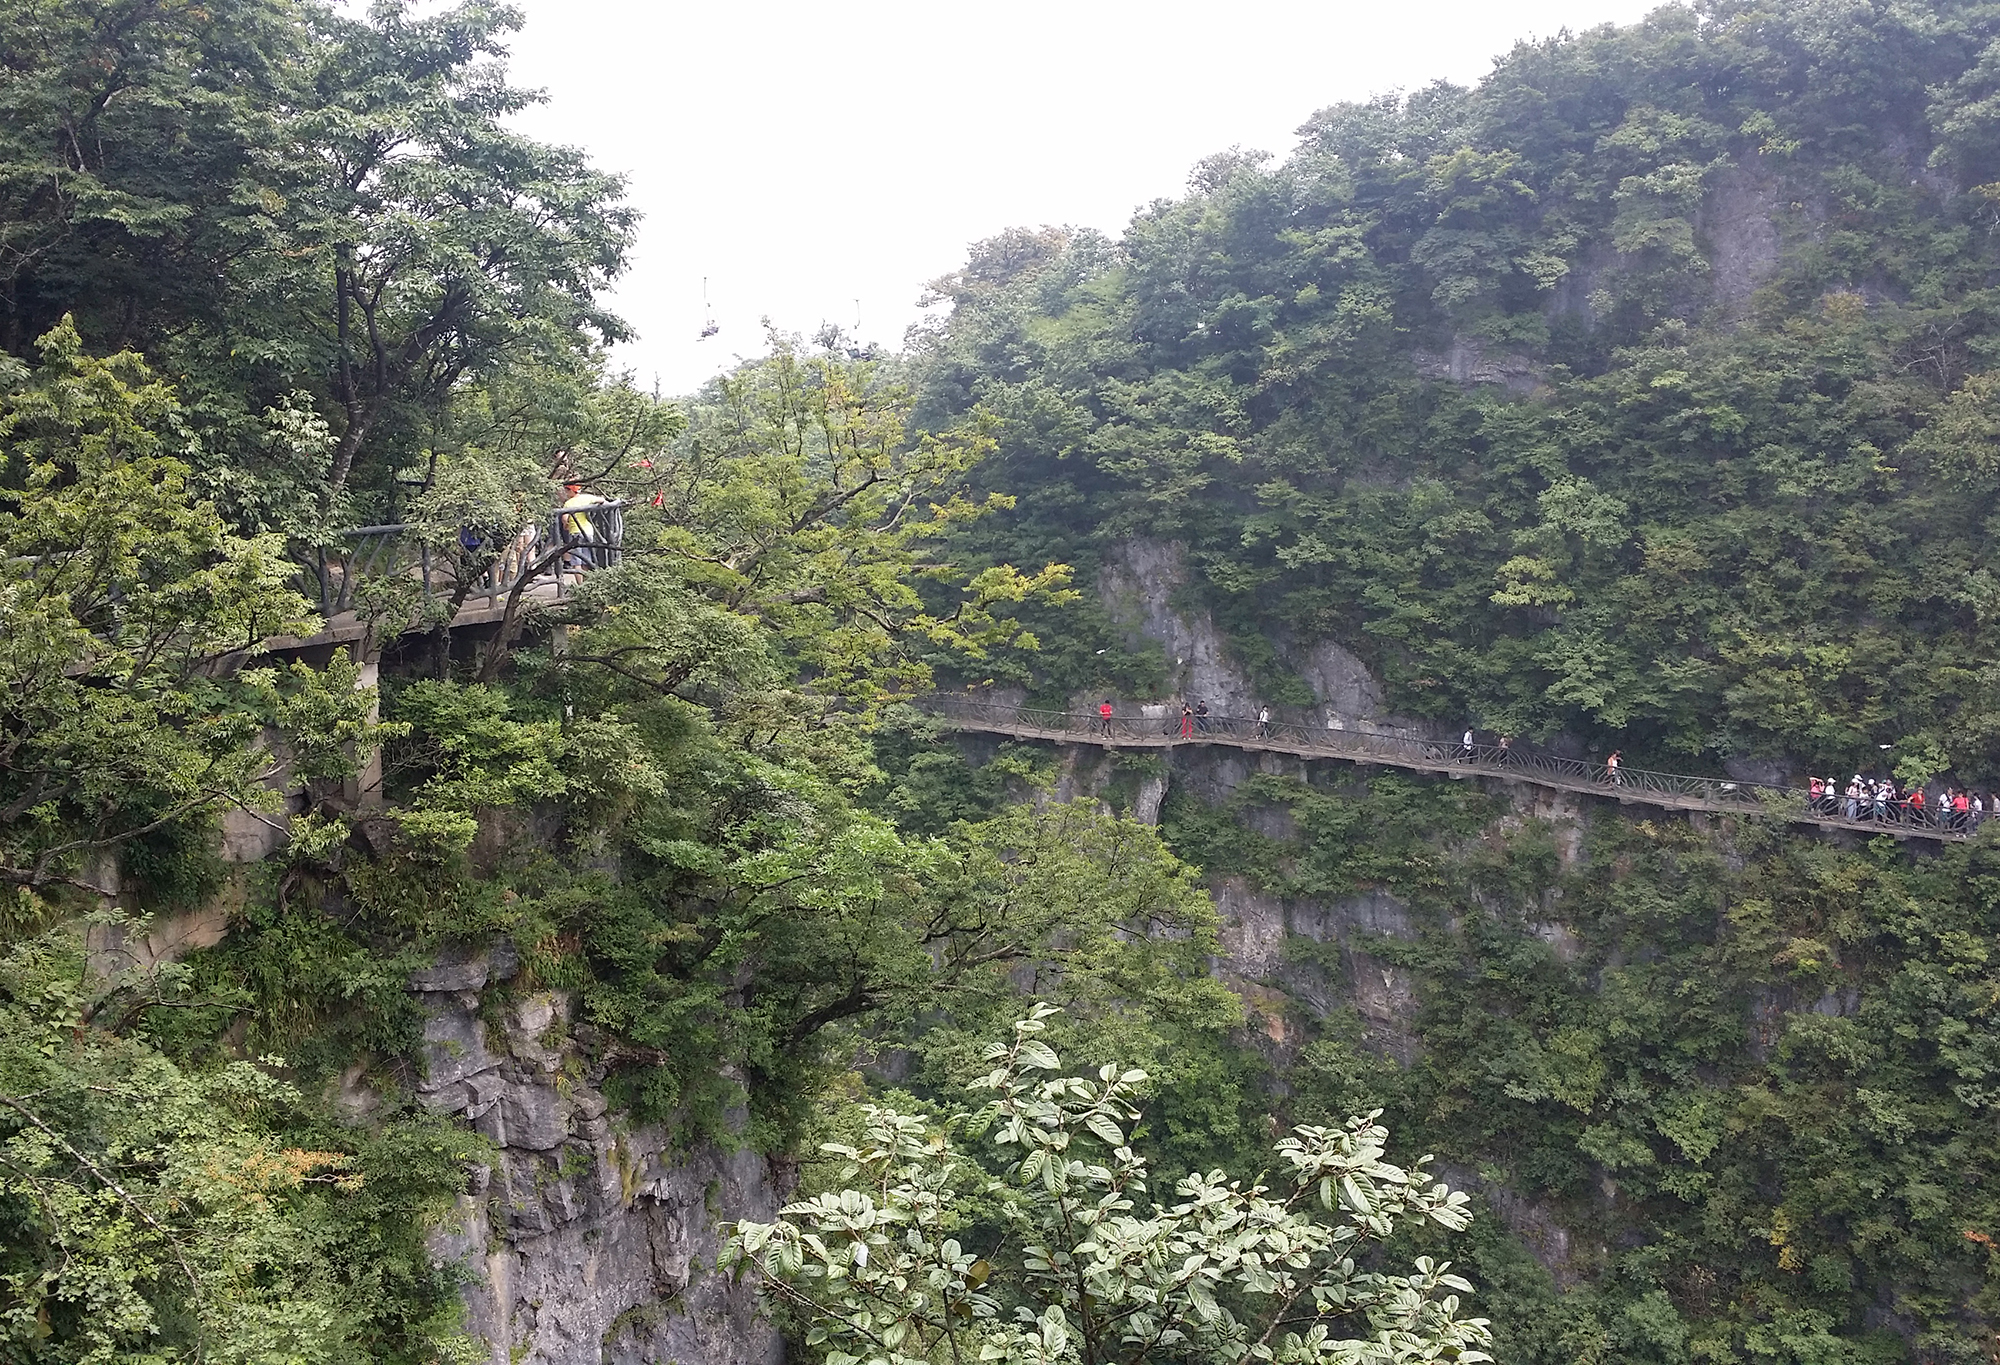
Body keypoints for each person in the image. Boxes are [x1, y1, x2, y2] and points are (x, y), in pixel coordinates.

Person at [559, 482, 609, 573]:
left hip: (575, 532)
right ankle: (587, 583)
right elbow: (602, 500)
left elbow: (564, 518)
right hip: (588, 531)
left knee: (576, 561)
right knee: (586, 559)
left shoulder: (569, 503)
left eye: (567, 490)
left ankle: (580, 585)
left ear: (571, 491)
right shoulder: (587, 498)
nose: (566, 493)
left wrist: (566, 525)